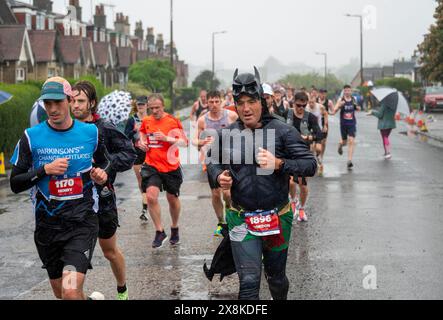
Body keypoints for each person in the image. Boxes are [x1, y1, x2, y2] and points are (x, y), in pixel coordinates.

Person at [207, 68, 317, 300]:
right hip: (241, 219)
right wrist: (218, 176)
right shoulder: (227, 135)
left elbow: (310, 165)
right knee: (248, 282)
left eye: (251, 101)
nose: (246, 108)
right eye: (241, 102)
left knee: (276, 278)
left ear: (262, 101)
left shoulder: (282, 131)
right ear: (235, 104)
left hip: (277, 217)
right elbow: (212, 161)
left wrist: (279, 163)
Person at [9, 77, 108, 300]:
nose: (52, 109)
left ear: (70, 100)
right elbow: (15, 184)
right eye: (48, 104)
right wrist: (44, 170)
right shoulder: (31, 137)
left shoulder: (90, 133)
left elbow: (105, 162)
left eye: (58, 102)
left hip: (81, 223)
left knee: (71, 291)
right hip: (47, 229)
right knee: (63, 295)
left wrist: (102, 173)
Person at [71, 81, 136, 300]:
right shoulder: (66, 129)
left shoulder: (104, 127)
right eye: (72, 100)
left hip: (104, 198)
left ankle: (122, 288)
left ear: (92, 103)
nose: (75, 105)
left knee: (109, 251)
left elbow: (129, 154)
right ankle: (76, 293)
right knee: (77, 253)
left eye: (80, 101)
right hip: (75, 201)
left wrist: (106, 166)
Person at [139, 94, 189, 248]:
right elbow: (142, 133)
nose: (154, 111)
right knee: (151, 196)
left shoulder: (172, 121)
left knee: (171, 199)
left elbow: (184, 143)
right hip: (152, 165)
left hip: (170, 167)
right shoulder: (146, 121)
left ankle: (174, 227)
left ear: (163, 107)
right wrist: (141, 142)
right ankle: (159, 231)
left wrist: (167, 138)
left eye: (157, 108)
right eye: (151, 108)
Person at [193, 90, 238, 237]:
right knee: (215, 193)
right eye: (211, 102)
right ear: (207, 103)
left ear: (221, 101)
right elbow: (194, 140)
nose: (214, 105)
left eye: (216, 101)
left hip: (229, 159)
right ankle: (221, 222)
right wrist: (202, 141)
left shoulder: (231, 116)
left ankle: (232, 218)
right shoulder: (202, 120)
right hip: (212, 160)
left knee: (227, 193)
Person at [287, 92, 322, 222]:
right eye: (298, 105)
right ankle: (293, 201)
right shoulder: (287, 114)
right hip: (289, 153)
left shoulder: (310, 117)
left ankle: (301, 208)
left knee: (302, 183)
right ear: (293, 103)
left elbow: (319, 134)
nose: (301, 108)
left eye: (303, 105)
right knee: (290, 182)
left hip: (304, 154)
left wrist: (308, 137)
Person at [125, 96, 150, 222]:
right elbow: (125, 136)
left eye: (142, 104)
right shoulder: (132, 120)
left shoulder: (151, 119)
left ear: (147, 105)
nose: (140, 106)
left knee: (148, 179)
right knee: (141, 181)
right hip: (137, 153)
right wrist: (133, 131)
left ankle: (145, 208)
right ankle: (145, 203)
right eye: (139, 105)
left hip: (150, 153)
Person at [332, 85, 361, 170]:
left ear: (351, 91)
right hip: (343, 124)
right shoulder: (340, 100)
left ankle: (349, 160)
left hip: (352, 124)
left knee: (351, 141)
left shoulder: (353, 99)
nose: (347, 92)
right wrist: (339, 105)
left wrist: (358, 108)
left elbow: (357, 108)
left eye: (349, 90)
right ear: (344, 91)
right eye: (346, 91)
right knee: (344, 142)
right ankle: (340, 145)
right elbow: (334, 110)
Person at [307, 94, 328, 176]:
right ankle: (314, 164)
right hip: (309, 130)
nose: (311, 104)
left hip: (318, 129)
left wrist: (325, 125)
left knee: (318, 149)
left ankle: (318, 158)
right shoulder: (306, 108)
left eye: (312, 102)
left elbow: (325, 114)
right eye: (309, 102)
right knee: (311, 149)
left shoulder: (320, 107)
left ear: (315, 101)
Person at [317, 89, 334, 171]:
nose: (322, 95)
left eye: (324, 94)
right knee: (315, 142)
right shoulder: (316, 101)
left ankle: (321, 157)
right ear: (319, 94)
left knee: (323, 142)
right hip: (316, 122)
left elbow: (333, 111)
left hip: (325, 123)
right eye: (321, 93)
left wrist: (327, 113)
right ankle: (316, 155)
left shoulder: (329, 102)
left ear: (326, 94)